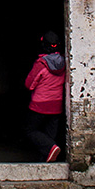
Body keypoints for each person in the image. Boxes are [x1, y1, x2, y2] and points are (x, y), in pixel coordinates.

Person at [25, 31, 66, 162]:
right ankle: (47, 157)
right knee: (50, 133)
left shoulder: (41, 64)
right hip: (57, 104)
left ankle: (50, 147)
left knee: (30, 130)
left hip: (40, 104)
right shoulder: (64, 62)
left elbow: (29, 84)